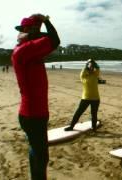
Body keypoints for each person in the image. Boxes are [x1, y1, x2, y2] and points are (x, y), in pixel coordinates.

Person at [11, 13, 60, 180]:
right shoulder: (25, 50)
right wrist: (46, 20)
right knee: (41, 157)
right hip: (33, 115)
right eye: (35, 28)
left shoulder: (28, 49)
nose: (39, 32)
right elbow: (54, 40)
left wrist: (33, 32)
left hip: (34, 113)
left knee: (37, 152)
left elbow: (48, 38)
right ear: (27, 29)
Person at [64, 59, 100, 132]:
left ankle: (94, 128)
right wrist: (87, 64)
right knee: (78, 112)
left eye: (92, 66)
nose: (91, 67)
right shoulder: (83, 76)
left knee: (94, 114)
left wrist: (94, 63)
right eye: (90, 66)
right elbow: (83, 71)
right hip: (85, 98)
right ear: (87, 66)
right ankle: (71, 126)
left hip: (95, 98)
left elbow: (98, 68)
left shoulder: (95, 74)